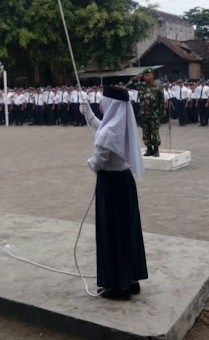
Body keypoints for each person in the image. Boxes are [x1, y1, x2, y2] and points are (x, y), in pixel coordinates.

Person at [80, 85, 147, 300]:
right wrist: (88, 113)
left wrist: (89, 163)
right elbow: (102, 127)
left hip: (111, 184)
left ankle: (117, 285)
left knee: (112, 232)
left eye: (102, 101)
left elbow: (98, 161)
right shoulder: (121, 126)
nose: (101, 104)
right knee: (127, 230)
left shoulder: (109, 133)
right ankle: (131, 278)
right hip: (124, 183)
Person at [126, 68, 166, 157]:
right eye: (144, 76)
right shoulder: (141, 85)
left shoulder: (158, 86)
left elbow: (162, 101)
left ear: (152, 76)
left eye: (148, 75)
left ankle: (156, 149)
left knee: (154, 132)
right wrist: (134, 79)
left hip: (154, 113)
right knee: (145, 132)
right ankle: (149, 149)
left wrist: (161, 113)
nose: (146, 77)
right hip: (144, 113)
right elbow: (128, 86)